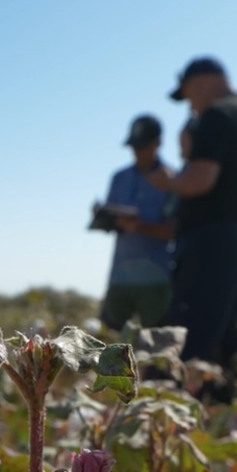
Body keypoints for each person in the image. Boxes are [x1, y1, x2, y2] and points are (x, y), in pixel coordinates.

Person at [137, 57, 237, 404]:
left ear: (200, 83)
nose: (191, 107)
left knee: (188, 333)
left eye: (188, 96)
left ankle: (168, 411)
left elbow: (201, 179)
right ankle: (221, 411)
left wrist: (170, 182)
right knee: (227, 332)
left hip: (212, 238)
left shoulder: (216, 115)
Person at [96, 114, 178, 335]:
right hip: (120, 277)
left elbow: (175, 231)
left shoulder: (172, 179)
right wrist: (104, 218)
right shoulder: (119, 178)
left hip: (157, 280)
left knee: (158, 354)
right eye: (134, 146)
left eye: (143, 146)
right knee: (109, 345)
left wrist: (140, 226)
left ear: (158, 143)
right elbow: (109, 224)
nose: (138, 152)